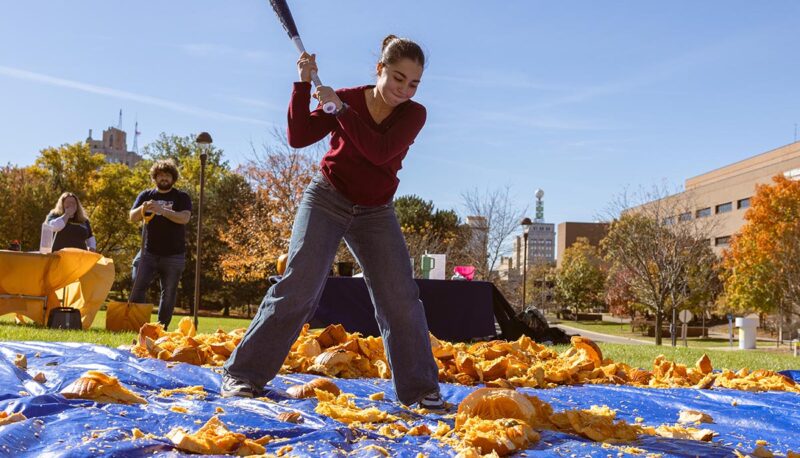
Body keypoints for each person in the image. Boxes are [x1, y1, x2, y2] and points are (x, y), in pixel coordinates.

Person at [221, 35, 444, 409]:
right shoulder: (349, 98)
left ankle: (421, 392)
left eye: (413, 83)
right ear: (379, 69)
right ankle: (242, 374)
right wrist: (303, 85)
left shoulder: (412, 114)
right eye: (397, 78)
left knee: (400, 298)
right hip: (327, 197)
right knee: (299, 284)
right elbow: (298, 137)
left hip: (376, 210)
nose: (404, 89)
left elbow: (379, 152)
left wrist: (340, 110)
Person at [129, 159, 192, 329]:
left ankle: (160, 329)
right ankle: (138, 325)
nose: (164, 178)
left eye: (167, 175)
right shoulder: (146, 195)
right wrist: (143, 209)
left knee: (169, 292)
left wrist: (163, 211)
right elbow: (132, 217)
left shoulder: (181, 197)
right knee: (137, 284)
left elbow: (185, 217)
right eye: (161, 175)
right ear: (155, 177)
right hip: (148, 251)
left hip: (174, 254)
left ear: (173, 178)